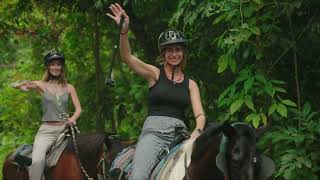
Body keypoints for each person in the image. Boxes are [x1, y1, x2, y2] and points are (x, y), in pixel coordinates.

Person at [107, 3, 206, 180]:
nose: (174, 54)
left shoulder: (191, 84)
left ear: (183, 53)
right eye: (169, 50)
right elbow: (127, 58)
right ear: (163, 53)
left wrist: (196, 133)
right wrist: (124, 33)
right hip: (154, 134)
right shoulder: (154, 73)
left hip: (181, 136)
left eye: (177, 50)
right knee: (138, 177)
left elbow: (200, 115)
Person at [12, 50, 82, 180]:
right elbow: (27, 84)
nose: (56, 67)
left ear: (62, 67)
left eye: (58, 64)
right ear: (48, 67)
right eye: (53, 64)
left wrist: (73, 118)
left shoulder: (69, 87)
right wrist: (18, 85)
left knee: (84, 155)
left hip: (65, 130)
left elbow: (78, 109)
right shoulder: (42, 85)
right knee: (37, 162)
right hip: (47, 132)